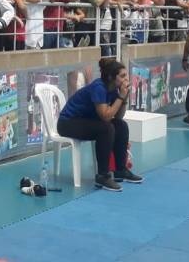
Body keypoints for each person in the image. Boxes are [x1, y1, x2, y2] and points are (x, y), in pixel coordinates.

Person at [57, 57, 144, 191]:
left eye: (126, 75)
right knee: (106, 128)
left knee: (121, 125)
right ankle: (102, 176)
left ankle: (120, 170)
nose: (126, 79)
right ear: (111, 77)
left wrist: (124, 98)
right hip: (67, 123)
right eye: (122, 76)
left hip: (86, 121)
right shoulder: (99, 87)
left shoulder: (113, 89)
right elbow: (105, 116)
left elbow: (118, 116)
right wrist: (121, 97)